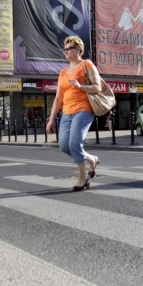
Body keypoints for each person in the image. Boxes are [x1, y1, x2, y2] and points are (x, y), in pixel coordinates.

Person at [46, 36, 102, 191]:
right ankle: (91, 158)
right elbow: (58, 98)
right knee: (64, 146)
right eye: (65, 49)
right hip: (67, 112)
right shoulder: (63, 73)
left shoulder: (86, 65)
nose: (66, 51)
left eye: (69, 48)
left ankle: (83, 177)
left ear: (78, 49)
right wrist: (51, 120)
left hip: (84, 109)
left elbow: (97, 87)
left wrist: (81, 86)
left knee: (74, 144)